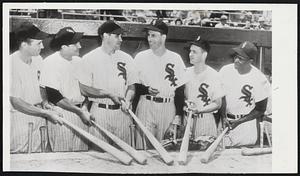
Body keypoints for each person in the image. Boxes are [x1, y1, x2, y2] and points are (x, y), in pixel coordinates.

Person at [77, 20, 138, 147]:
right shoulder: (89, 58)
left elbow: (132, 85)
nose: (121, 39)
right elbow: (83, 89)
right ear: (105, 36)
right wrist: (109, 94)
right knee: (100, 155)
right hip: (100, 112)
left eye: (121, 36)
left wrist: (128, 100)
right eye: (117, 36)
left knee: (125, 153)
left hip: (123, 113)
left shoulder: (127, 58)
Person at [9, 22, 63, 153]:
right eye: (38, 43)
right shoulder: (10, 64)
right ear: (24, 45)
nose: (43, 46)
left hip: (39, 116)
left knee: (40, 156)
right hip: (20, 118)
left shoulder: (38, 59)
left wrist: (45, 103)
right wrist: (46, 113)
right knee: (21, 157)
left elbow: (41, 85)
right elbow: (16, 102)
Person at [39, 27, 94, 152]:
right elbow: (54, 96)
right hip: (62, 114)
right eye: (75, 44)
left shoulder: (79, 61)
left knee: (83, 157)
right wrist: (80, 112)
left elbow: (85, 90)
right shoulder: (50, 62)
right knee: (62, 158)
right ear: (63, 47)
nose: (79, 46)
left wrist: (85, 107)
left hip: (81, 112)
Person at [133, 19, 186, 149]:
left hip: (168, 107)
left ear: (163, 37)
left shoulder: (176, 58)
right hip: (146, 105)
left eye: (153, 35)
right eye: (148, 35)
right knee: (144, 149)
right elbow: (133, 84)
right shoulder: (140, 57)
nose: (149, 39)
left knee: (167, 150)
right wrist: (145, 89)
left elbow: (180, 90)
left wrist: (179, 115)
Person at [219, 41, 271, 147]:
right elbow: (222, 96)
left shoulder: (258, 78)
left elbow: (260, 109)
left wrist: (239, 121)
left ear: (250, 61)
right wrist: (223, 116)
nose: (236, 60)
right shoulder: (225, 70)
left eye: (241, 58)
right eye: (236, 56)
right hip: (226, 122)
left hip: (246, 125)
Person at [182, 36, 225, 139]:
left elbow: (218, 103)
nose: (190, 54)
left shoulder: (214, 75)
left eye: (194, 52)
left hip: (205, 119)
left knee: (204, 153)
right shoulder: (185, 72)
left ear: (204, 55)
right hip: (188, 119)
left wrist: (200, 109)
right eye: (190, 51)